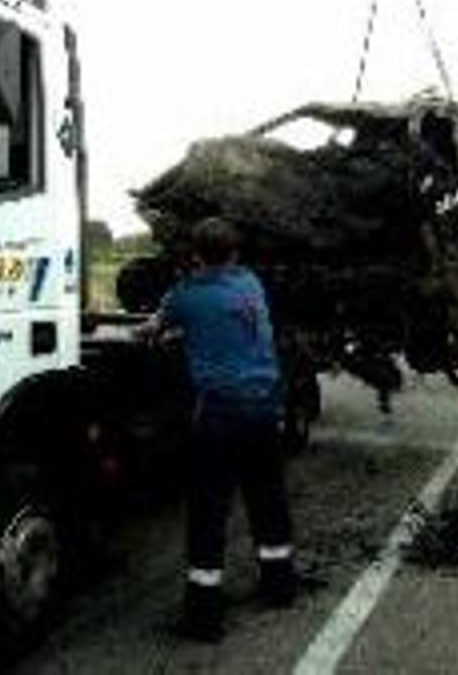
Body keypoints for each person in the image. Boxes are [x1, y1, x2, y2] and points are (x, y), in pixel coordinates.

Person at [147, 216, 296, 642]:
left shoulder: (187, 295)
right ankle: (279, 583)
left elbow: (155, 325)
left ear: (196, 255)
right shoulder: (251, 284)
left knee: (210, 510)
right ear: (235, 253)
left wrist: (157, 323)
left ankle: (204, 612)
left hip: (220, 415)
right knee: (268, 497)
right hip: (264, 409)